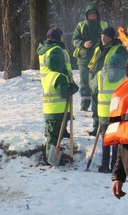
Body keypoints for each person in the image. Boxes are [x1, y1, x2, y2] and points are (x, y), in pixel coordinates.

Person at [40, 28, 79, 165]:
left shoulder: (47, 49)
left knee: (54, 131)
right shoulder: (55, 50)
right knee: (53, 134)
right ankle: (50, 160)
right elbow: (63, 91)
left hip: (52, 99)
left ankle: (53, 155)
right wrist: (70, 83)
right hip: (57, 98)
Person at [88, 26, 127, 139]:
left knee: (109, 106)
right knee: (96, 105)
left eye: (106, 36)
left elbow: (121, 63)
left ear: (111, 37)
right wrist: (91, 73)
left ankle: (107, 129)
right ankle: (97, 127)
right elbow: (92, 62)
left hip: (110, 81)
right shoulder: (98, 48)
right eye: (101, 36)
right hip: (98, 80)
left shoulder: (118, 48)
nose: (103, 38)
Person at [73, 4, 108, 113]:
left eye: (94, 15)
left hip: (99, 58)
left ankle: (96, 104)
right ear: (86, 16)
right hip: (84, 58)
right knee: (84, 82)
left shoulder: (104, 25)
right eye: (90, 15)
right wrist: (83, 44)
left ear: (97, 15)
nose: (92, 17)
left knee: (96, 82)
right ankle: (84, 105)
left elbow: (111, 37)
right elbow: (75, 40)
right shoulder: (81, 25)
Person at [96, 53, 126, 173]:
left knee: (105, 138)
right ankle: (115, 165)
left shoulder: (100, 74)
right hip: (118, 112)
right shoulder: (125, 76)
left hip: (103, 112)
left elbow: (92, 87)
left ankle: (104, 165)